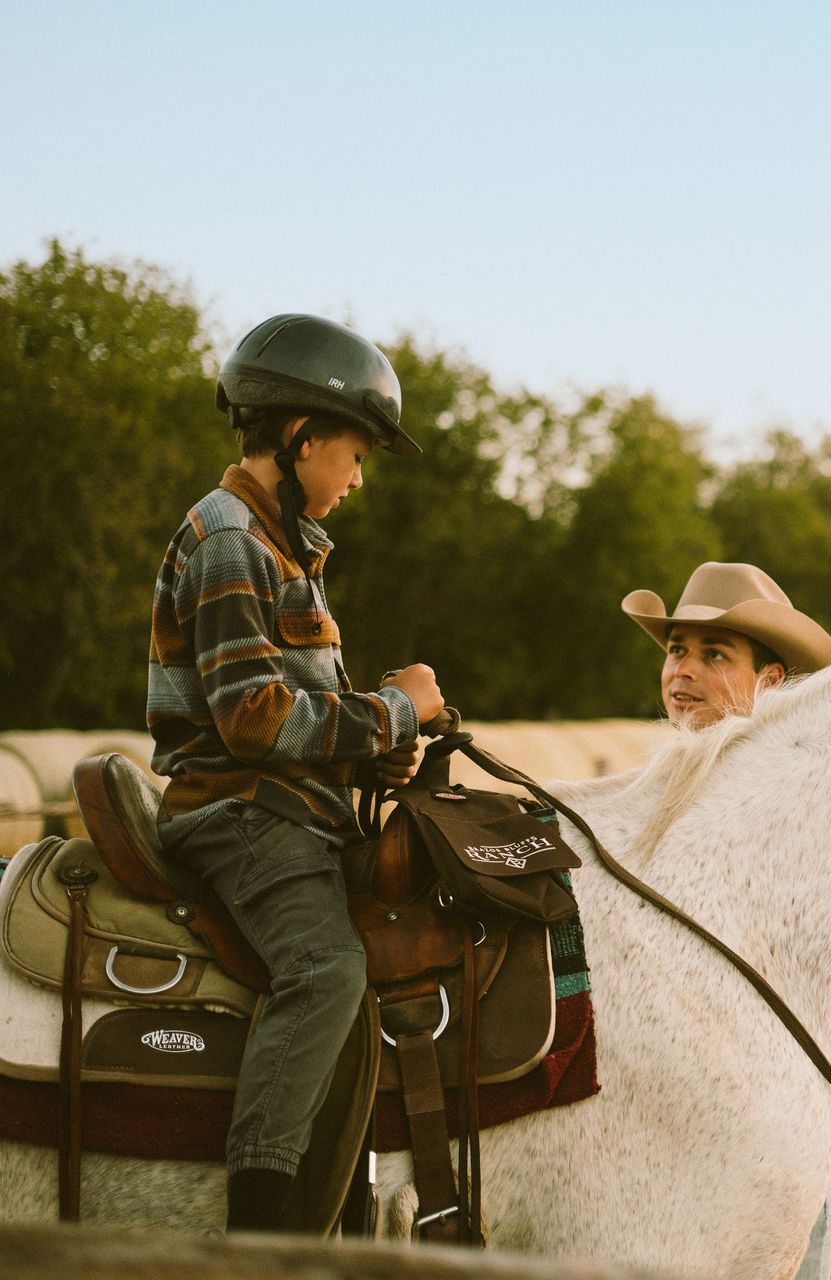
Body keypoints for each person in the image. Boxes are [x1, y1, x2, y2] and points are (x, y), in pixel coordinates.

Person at [147, 314, 443, 1232]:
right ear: (302, 439)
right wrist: (400, 712)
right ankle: (264, 1216)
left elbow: (305, 711)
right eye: (354, 455)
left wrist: (384, 740)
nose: (358, 478)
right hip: (240, 814)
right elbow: (253, 720)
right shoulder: (230, 537)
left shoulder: (284, 547)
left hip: (287, 808)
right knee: (325, 969)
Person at [620, 561, 831, 1276]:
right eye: (676, 650)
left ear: (770, 682)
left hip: (775, 1096)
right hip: (663, 1095)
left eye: (714, 655)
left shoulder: (803, 800)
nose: (682, 671)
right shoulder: (651, 792)